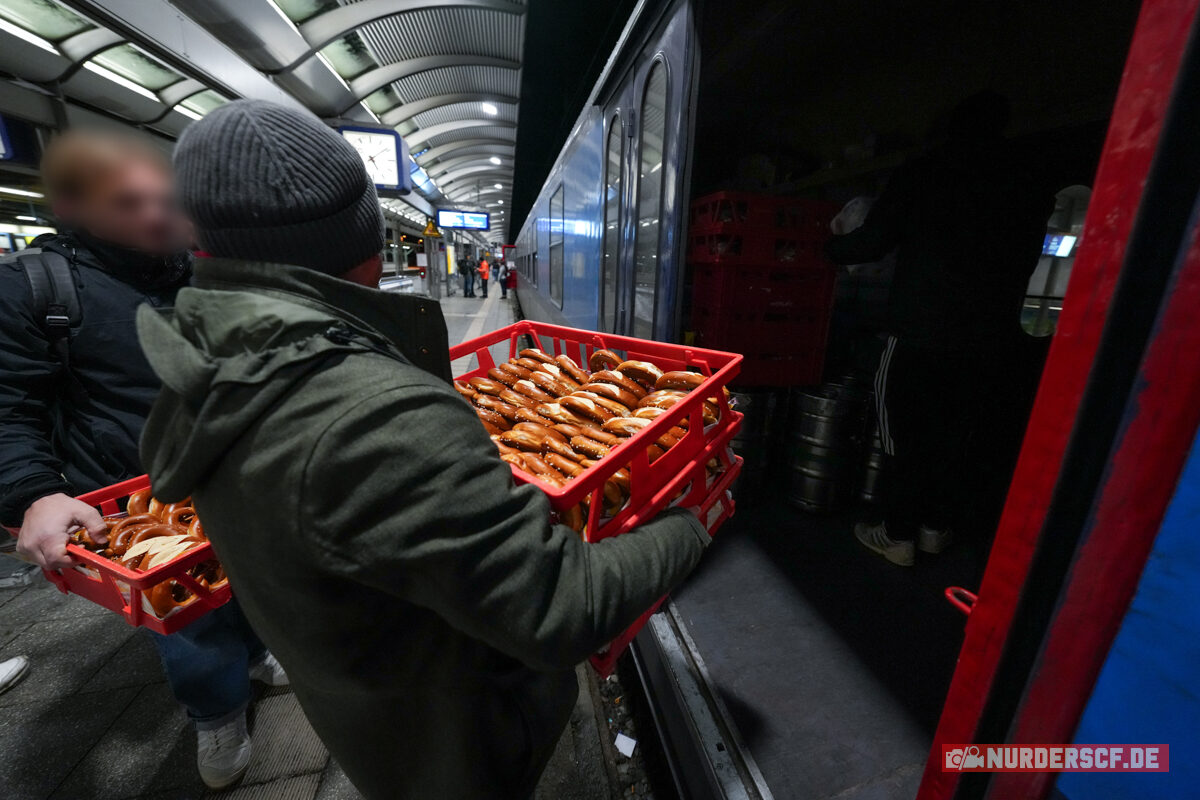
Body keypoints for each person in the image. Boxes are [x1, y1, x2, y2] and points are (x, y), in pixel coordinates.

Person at [137, 99, 710, 800]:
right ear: (367, 242)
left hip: (366, 710)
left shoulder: (212, 362)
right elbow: (562, 607)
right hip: (459, 743)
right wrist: (691, 522)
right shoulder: (375, 413)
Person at [0, 129, 288, 789]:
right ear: (72, 207)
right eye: (128, 203)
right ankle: (217, 713)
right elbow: (8, 405)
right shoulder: (33, 289)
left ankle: (256, 654)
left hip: (235, 478)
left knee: (248, 583)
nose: (156, 215)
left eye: (166, 199)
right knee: (186, 623)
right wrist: (31, 494)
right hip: (138, 498)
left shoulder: (204, 270)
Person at [826, 91, 1052, 567]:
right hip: (989, 338)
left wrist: (826, 249)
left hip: (920, 331)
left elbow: (872, 242)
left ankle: (897, 535)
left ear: (949, 129)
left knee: (902, 435)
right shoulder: (1029, 178)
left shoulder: (927, 171)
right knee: (955, 435)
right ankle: (934, 528)